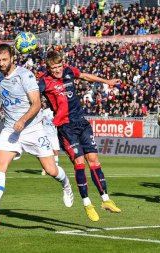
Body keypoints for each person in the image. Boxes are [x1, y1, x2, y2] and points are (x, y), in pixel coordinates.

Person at [0, 44, 74, 226]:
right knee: (0, 162)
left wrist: (23, 120)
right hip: (11, 129)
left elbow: (36, 103)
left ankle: (66, 185)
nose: (2, 63)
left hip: (33, 129)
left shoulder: (25, 75)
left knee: (51, 170)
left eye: (5, 60)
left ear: (12, 58)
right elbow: (4, 91)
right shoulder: (0, 75)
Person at [38, 50, 121, 222]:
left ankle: (105, 199)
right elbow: (32, 96)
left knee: (94, 160)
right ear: (48, 67)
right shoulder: (44, 81)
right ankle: (87, 203)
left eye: (60, 66)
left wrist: (107, 82)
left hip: (81, 123)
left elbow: (85, 77)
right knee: (79, 163)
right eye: (54, 67)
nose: (58, 70)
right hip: (65, 127)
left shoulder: (69, 71)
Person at [41, 101, 61, 176]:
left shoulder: (56, 112)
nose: (44, 105)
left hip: (54, 135)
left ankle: (56, 167)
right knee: (46, 152)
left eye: (44, 104)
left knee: (55, 152)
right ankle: (44, 169)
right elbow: (39, 119)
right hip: (46, 135)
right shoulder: (45, 111)